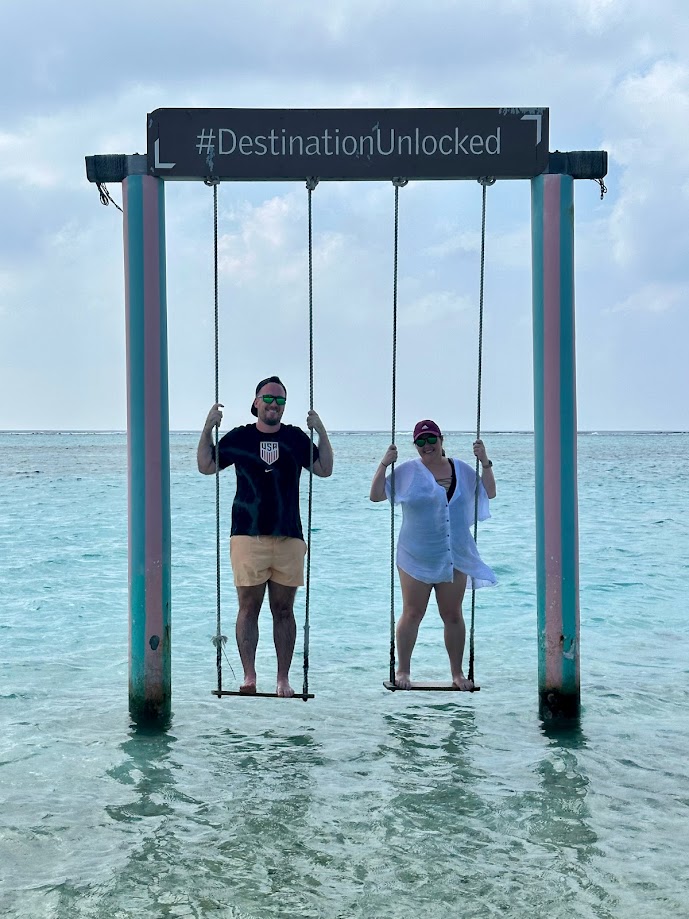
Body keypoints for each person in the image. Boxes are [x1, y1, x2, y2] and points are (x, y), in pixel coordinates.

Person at [198, 376, 333, 697]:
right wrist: (207, 428)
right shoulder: (240, 437)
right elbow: (206, 465)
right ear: (256, 402)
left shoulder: (296, 438)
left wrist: (322, 431)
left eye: (280, 400)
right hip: (247, 533)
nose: (274, 405)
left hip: (289, 535)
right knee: (248, 607)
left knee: (284, 610)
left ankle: (283, 679)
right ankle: (249, 676)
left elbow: (324, 469)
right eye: (268, 399)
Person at [370, 419, 496, 691]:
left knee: (452, 614)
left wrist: (485, 462)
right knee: (412, 613)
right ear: (415, 445)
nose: (427, 446)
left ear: (441, 439)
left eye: (431, 439)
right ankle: (402, 671)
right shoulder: (407, 471)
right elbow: (376, 495)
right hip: (416, 555)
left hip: (454, 554)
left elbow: (489, 492)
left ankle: (457, 674)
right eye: (420, 441)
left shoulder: (461, 468)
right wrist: (384, 463)